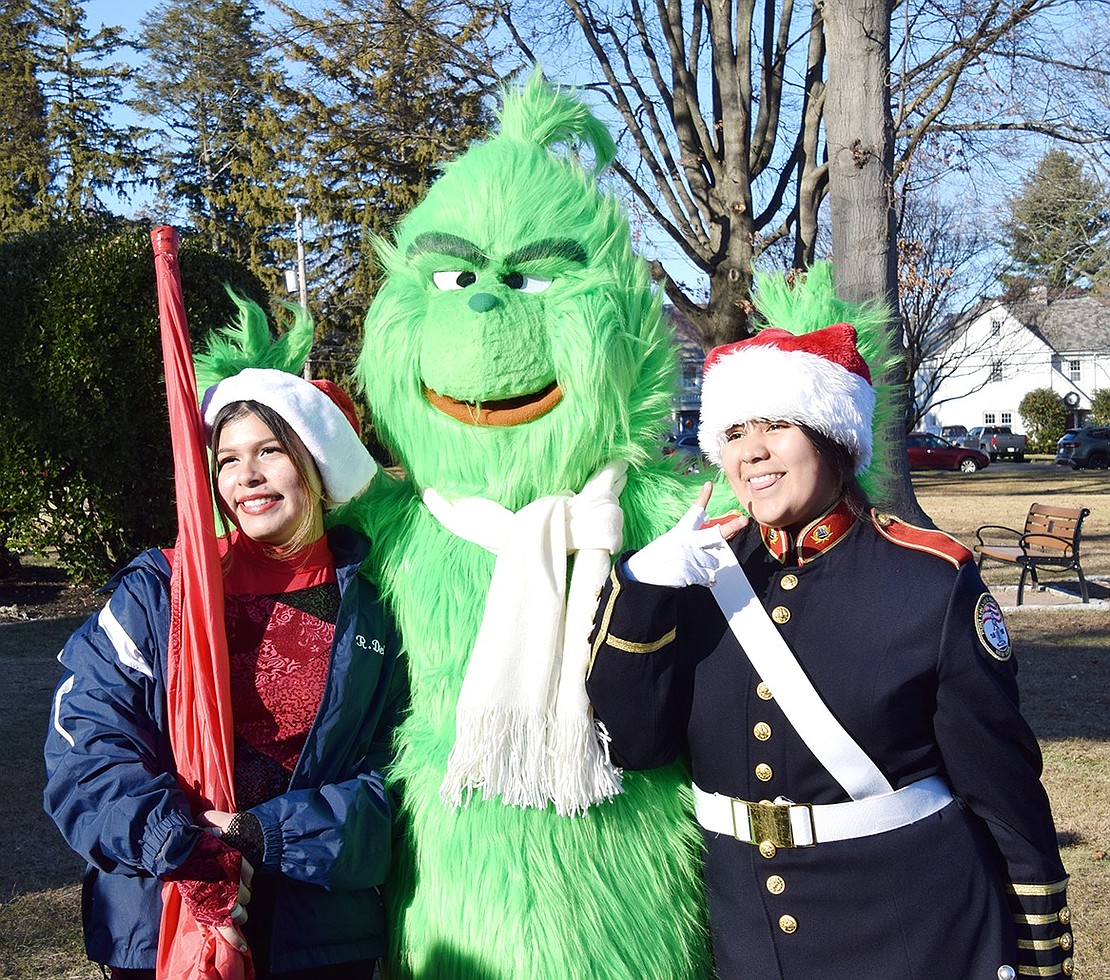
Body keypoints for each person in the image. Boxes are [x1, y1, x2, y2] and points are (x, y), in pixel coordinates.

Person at [586, 322, 1073, 979]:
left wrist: (1036, 941)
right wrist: (641, 591)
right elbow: (633, 746)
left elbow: (1000, 782)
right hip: (749, 938)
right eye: (734, 434)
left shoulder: (928, 579)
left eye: (777, 425)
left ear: (835, 434)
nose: (752, 453)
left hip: (913, 932)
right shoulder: (695, 573)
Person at [44, 367, 404, 979]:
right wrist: (173, 840)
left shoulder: (379, 609)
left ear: (315, 466)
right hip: (164, 918)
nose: (247, 477)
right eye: (228, 458)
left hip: (318, 934)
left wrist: (266, 836)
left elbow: (397, 777)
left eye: (271, 451)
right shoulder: (160, 591)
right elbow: (85, 744)